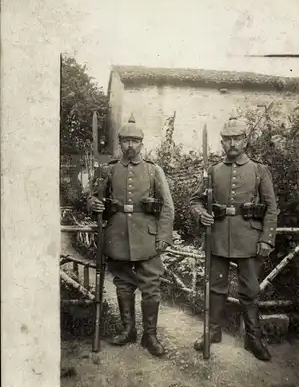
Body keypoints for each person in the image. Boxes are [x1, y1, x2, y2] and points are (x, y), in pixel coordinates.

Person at [190, 115, 278, 362]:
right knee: (215, 288)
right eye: (227, 139)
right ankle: (213, 332)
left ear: (245, 141)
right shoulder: (213, 170)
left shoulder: (259, 170)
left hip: (249, 239)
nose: (232, 144)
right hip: (217, 237)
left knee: (249, 290)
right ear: (221, 143)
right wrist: (201, 214)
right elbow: (195, 200)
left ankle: (253, 338)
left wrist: (266, 239)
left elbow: (271, 208)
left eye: (236, 138)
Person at [87, 114, 174, 357]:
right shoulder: (109, 169)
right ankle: (128, 330)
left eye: (135, 141)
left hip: (147, 236)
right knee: (123, 283)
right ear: (120, 142)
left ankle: (150, 335)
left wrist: (164, 236)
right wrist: (93, 204)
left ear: (141, 144)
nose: (130, 145)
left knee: (151, 285)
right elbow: (93, 197)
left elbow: (167, 206)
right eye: (125, 140)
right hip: (117, 235)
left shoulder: (154, 170)